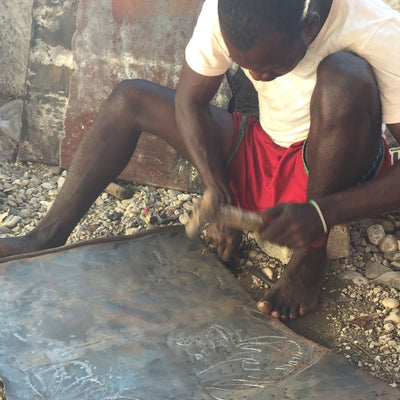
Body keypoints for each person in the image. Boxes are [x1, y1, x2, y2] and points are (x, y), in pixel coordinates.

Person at [1, 0, 400, 321]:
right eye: (246, 65)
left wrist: (322, 213)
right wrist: (217, 188)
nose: (257, 78)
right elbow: (190, 101)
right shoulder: (227, 8)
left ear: (310, 26)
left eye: (270, 67)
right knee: (130, 99)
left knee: (344, 77)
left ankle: (311, 255)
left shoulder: (377, 29)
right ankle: (44, 238)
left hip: (333, 166)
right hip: (265, 144)